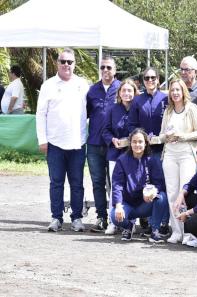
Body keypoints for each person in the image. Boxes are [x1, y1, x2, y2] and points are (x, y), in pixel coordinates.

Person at [36, 48, 89, 232]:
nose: (66, 65)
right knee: (56, 183)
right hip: (55, 144)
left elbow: (91, 111)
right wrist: (42, 139)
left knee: (77, 184)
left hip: (78, 143)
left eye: (70, 62)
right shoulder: (48, 85)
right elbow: (40, 114)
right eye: (63, 61)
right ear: (57, 63)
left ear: (75, 64)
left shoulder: (83, 85)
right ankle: (56, 218)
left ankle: (76, 218)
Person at [158, 78, 197, 243]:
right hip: (170, 155)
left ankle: (188, 232)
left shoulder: (191, 108)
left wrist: (182, 136)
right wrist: (164, 137)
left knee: (183, 193)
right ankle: (176, 231)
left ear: (183, 91)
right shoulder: (168, 110)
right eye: (172, 90)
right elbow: (162, 134)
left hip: (187, 155)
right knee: (171, 194)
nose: (175, 93)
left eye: (178, 89)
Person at [128, 66, 170, 236]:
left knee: (162, 186)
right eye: (147, 78)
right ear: (143, 81)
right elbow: (131, 125)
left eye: (153, 78)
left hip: (162, 150)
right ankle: (146, 221)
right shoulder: (138, 101)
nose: (150, 81)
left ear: (158, 79)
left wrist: (161, 137)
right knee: (143, 183)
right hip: (143, 151)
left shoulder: (166, 99)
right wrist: (143, 137)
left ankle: (162, 224)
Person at [110, 129, 169, 242]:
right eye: (134, 141)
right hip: (127, 203)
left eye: (140, 141)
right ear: (130, 143)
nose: (137, 144)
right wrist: (118, 205)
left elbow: (159, 183)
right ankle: (128, 227)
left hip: (145, 203)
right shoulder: (122, 160)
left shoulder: (152, 160)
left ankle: (154, 230)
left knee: (162, 197)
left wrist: (153, 191)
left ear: (145, 143)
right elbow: (117, 184)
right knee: (114, 216)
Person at [86, 56, 121, 232]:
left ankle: (119, 218)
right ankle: (102, 218)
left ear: (115, 69)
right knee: (98, 183)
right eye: (103, 67)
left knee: (116, 183)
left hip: (115, 145)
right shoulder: (92, 90)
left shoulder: (122, 89)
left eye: (109, 67)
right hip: (94, 144)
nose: (106, 70)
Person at [102, 79, 139, 234]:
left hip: (134, 154)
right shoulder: (112, 109)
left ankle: (131, 222)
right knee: (116, 188)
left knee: (133, 188)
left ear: (135, 92)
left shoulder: (138, 108)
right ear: (119, 93)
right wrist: (113, 140)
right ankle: (113, 222)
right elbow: (105, 130)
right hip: (116, 155)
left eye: (130, 90)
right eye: (124, 91)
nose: (126, 93)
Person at [179, 56, 197, 124]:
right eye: (181, 69)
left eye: (187, 70)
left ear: (196, 72)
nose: (183, 72)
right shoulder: (177, 89)